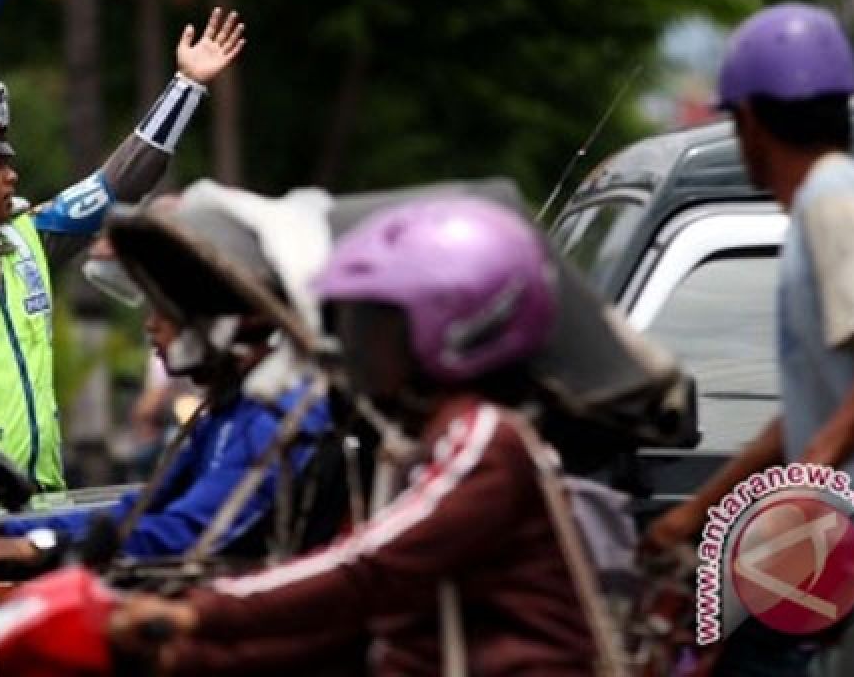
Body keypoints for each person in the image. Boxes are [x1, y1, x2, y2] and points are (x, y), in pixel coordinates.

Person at [106, 196, 601, 676]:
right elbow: (363, 630)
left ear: (463, 326)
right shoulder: (407, 445)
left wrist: (200, 613)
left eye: (378, 329)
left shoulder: (486, 442)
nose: (360, 348)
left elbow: (365, 573)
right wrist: (193, 659)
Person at [0, 8, 246, 523]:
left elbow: (116, 185)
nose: (12, 176)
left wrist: (186, 87)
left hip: (37, 509)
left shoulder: (31, 241)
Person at [645, 2, 854, 676]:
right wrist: (696, 516)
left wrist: (817, 463)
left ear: (751, 121)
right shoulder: (845, 202)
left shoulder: (835, 201)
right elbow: (805, 416)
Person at [0, 187, 333, 583]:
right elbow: (141, 508)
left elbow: (187, 534)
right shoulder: (228, 410)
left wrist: (40, 547)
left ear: (221, 316)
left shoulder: (277, 415)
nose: (151, 324)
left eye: (166, 309)